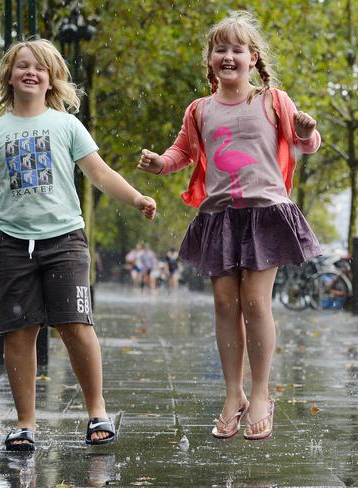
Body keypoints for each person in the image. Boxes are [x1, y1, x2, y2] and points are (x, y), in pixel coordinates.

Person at [0, 39, 156, 451]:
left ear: (51, 80)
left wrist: (137, 197)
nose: (30, 72)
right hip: (13, 245)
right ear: (9, 76)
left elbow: (100, 173)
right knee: (19, 331)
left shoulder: (66, 125)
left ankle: (96, 410)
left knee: (75, 326)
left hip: (65, 239)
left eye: (40, 68)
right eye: (22, 66)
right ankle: (25, 422)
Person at [137, 11, 322, 441]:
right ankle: (233, 393)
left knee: (255, 303)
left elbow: (304, 144)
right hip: (219, 216)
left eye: (237, 49)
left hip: (266, 212)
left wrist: (308, 132)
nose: (228, 56)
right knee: (224, 303)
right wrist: (160, 164)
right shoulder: (200, 110)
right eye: (220, 49)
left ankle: (260, 393)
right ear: (210, 60)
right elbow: (182, 152)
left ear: (253, 59)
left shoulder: (273, 100)